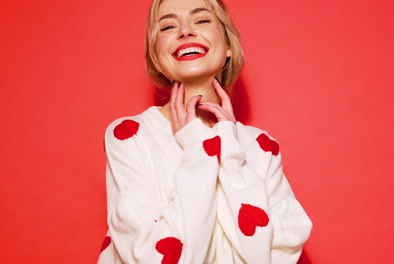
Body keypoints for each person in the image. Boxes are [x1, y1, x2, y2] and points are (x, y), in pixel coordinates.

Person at [97, 0, 312, 263]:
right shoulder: (131, 136)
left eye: (202, 20)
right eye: (167, 26)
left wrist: (232, 158)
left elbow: (273, 255)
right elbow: (152, 256)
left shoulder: (260, 146)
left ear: (229, 45)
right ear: (156, 57)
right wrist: (198, 150)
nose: (185, 31)